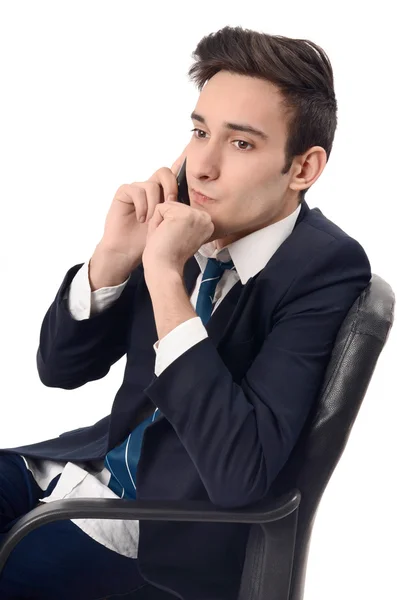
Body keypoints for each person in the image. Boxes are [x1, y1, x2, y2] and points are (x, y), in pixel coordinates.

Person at [0, 25, 371, 600]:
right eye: (200, 133)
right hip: (73, 475)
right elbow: (59, 368)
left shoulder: (324, 268)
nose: (202, 167)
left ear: (303, 168)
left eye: (241, 143)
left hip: (157, 537)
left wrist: (165, 277)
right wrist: (115, 258)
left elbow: (241, 473)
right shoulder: (188, 218)